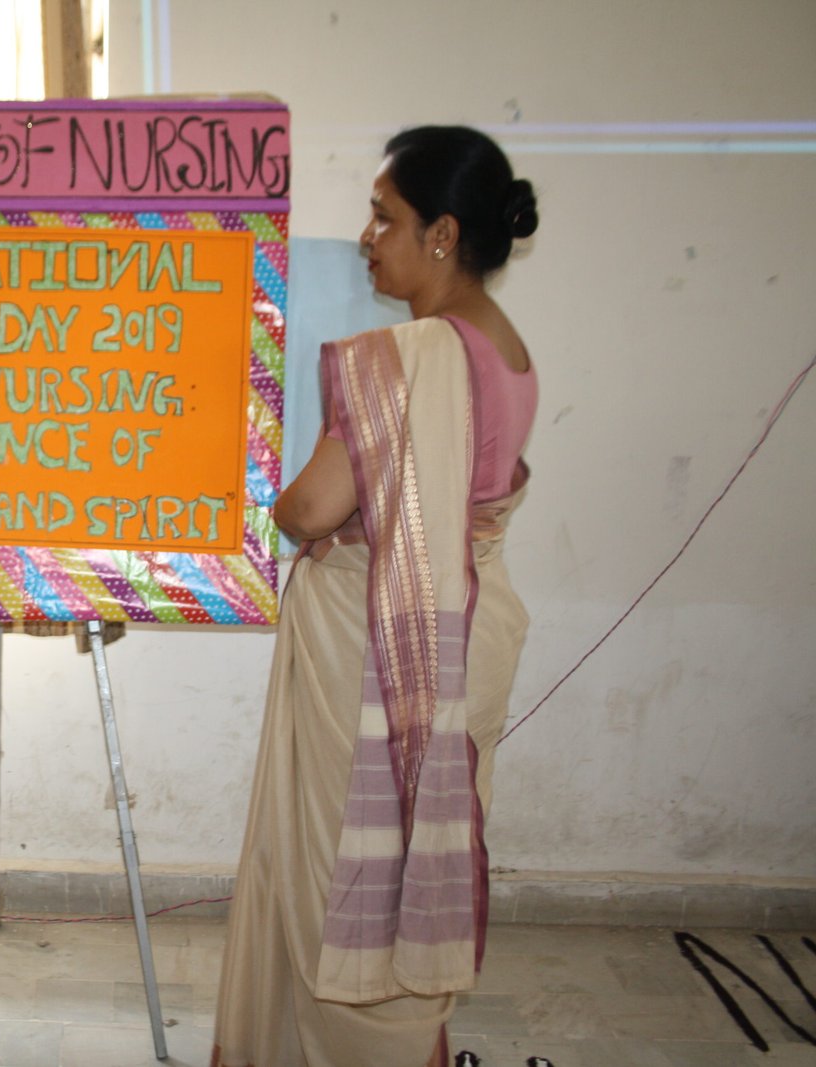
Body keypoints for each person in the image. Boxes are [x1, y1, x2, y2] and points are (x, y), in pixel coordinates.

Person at [212, 126, 540, 1067]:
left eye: (383, 217)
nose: (367, 237)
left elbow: (311, 508)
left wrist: (279, 501)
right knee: (409, 876)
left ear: (442, 233)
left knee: (345, 889)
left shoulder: (413, 356)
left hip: (380, 653)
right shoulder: (506, 349)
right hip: (463, 635)